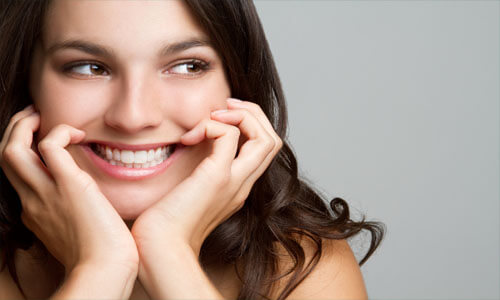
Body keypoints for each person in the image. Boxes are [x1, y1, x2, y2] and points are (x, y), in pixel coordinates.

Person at [0, 0, 385, 299]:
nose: (134, 117)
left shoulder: (300, 269)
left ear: (236, 84)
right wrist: (98, 271)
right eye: (88, 67)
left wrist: (169, 257)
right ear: (25, 82)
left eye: (186, 66)